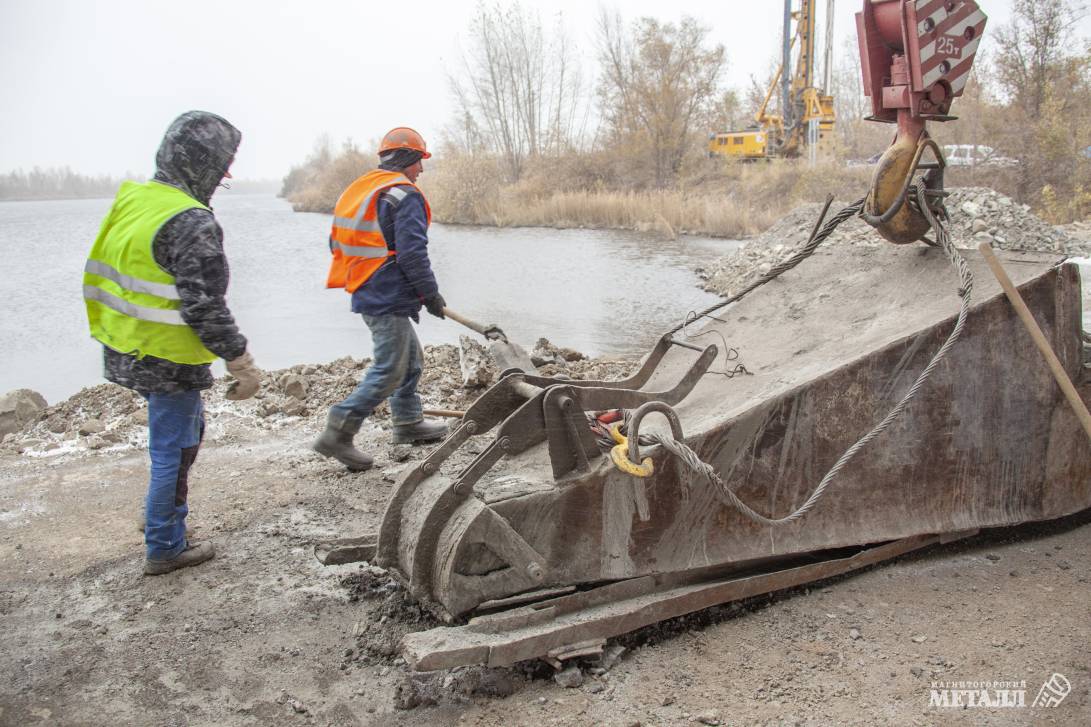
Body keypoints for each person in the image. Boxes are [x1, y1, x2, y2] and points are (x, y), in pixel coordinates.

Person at [83, 110, 262, 576]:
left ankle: (158, 519)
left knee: (184, 437)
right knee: (174, 448)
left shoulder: (138, 199)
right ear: (202, 163)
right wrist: (240, 360)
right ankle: (164, 544)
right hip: (166, 356)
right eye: (222, 165)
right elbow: (204, 305)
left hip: (125, 345)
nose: (225, 175)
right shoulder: (191, 221)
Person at [313, 127, 448, 471]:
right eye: (420, 162)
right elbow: (413, 254)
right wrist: (430, 295)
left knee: (411, 356)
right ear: (408, 159)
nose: (421, 171)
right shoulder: (405, 195)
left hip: (366, 286)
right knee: (391, 367)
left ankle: (407, 422)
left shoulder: (363, 190)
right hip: (386, 293)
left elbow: (335, 243)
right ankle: (338, 430)